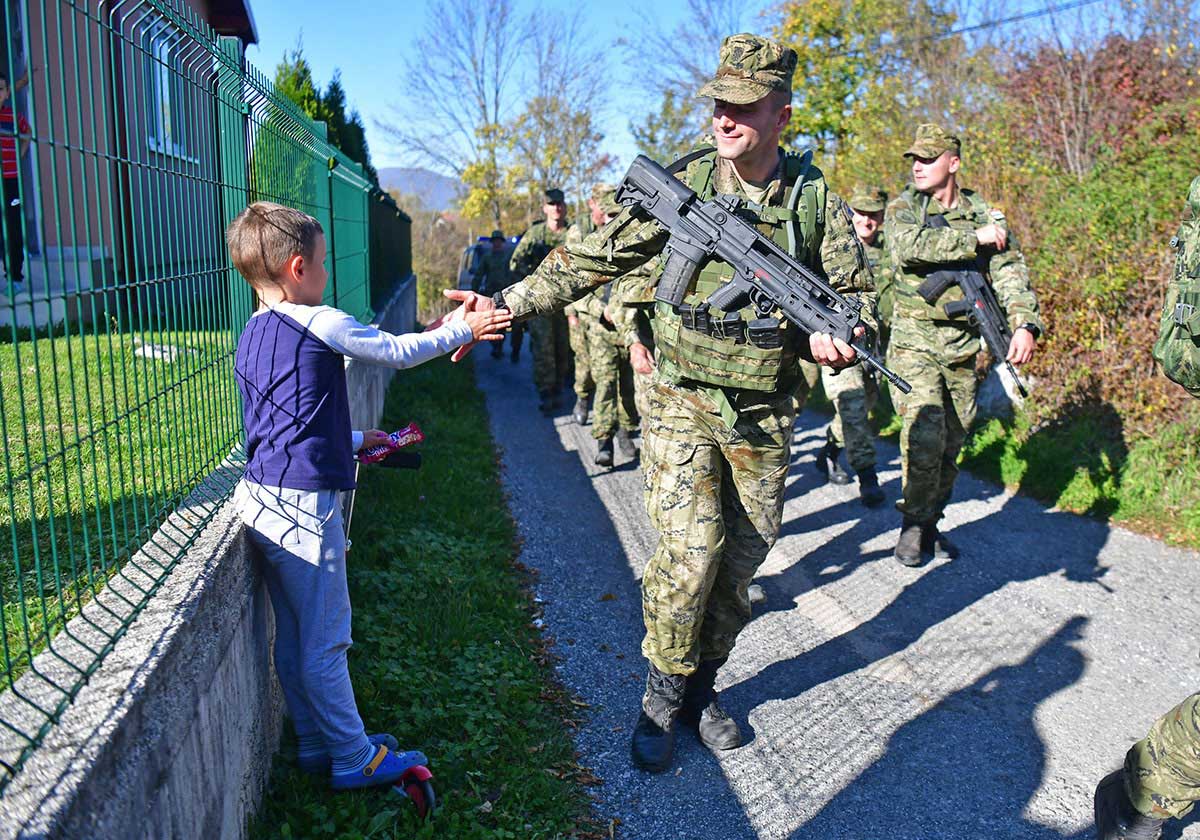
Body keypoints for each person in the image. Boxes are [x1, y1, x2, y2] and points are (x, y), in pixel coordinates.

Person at [453, 33, 872, 773]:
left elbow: (857, 301)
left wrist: (835, 340)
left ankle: (703, 687)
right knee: (688, 556)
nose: (724, 117)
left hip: (765, 414)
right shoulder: (685, 184)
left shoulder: (815, 203)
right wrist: (505, 304)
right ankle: (659, 695)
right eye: (718, 102)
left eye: (743, 105)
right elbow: (590, 258)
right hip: (680, 398)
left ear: (782, 114)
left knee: (738, 572)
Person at [226, 201, 510, 789]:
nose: (328, 274)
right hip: (305, 509)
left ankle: (314, 743)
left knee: (296, 636)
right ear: (299, 267)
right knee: (328, 642)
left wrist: (353, 439)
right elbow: (396, 352)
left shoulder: (253, 331)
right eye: (325, 263)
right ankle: (354, 757)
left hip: (260, 501)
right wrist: (468, 329)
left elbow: (286, 419)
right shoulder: (320, 319)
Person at [884, 124, 1041, 567]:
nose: (917, 166)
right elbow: (907, 248)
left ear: (953, 163)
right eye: (914, 158)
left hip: (962, 345)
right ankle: (913, 523)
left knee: (954, 439)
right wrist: (973, 239)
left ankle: (931, 519)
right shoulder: (904, 208)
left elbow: (1009, 272)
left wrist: (1024, 324)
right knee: (925, 431)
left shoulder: (984, 213)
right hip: (914, 343)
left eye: (928, 158)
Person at [810, 187, 889, 507]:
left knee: (864, 404)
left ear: (882, 216)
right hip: (837, 340)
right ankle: (868, 477)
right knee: (853, 404)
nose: (867, 220)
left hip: (877, 344)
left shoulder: (889, 251)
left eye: (874, 214)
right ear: (850, 212)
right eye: (861, 212)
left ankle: (828, 451)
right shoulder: (833, 246)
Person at [569, 184, 639, 466]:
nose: (611, 220)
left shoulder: (636, 243)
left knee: (628, 387)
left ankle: (626, 433)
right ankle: (604, 440)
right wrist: (600, 309)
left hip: (630, 329)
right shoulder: (590, 244)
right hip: (599, 328)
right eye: (608, 213)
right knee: (606, 383)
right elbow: (574, 291)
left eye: (616, 214)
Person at [510, 188, 572, 413]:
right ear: (545, 208)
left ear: (564, 206)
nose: (556, 208)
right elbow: (514, 263)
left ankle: (560, 388)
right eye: (551, 204)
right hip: (541, 303)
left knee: (564, 349)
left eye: (559, 203)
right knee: (543, 349)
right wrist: (532, 276)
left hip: (568, 303)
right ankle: (546, 392)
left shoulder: (573, 233)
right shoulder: (535, 234)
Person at [564, 188, 611, 424]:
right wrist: (570, 313)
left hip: (608, 310)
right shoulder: (579, 230)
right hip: (583, 309)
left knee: (609, 369)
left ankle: (616, 422)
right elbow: (569, 275)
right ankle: (582, 398)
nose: (606, 210)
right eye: (602, 204)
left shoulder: (615, 224)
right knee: (584, 363)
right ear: (592, 203)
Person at [0, 72, 31, 288]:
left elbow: (27, 132)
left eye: (1, 89)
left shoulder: (13, 115)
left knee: (13, 225)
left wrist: (20, 154)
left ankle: (15, 276)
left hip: (11, 181)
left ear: (7, 92)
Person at [472, 230, 512, 358]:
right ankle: (495, 346)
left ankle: (499, 347)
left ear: (502, 242)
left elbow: (514, 273)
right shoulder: (487, 257)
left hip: (505, 294)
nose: (497, 243)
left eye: (499, 241)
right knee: (491, 322)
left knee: (503, 322)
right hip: (491, 294)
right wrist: (474, 292)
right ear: (492, 243)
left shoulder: (508, 257)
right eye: (495, 241)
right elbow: (479, 275)